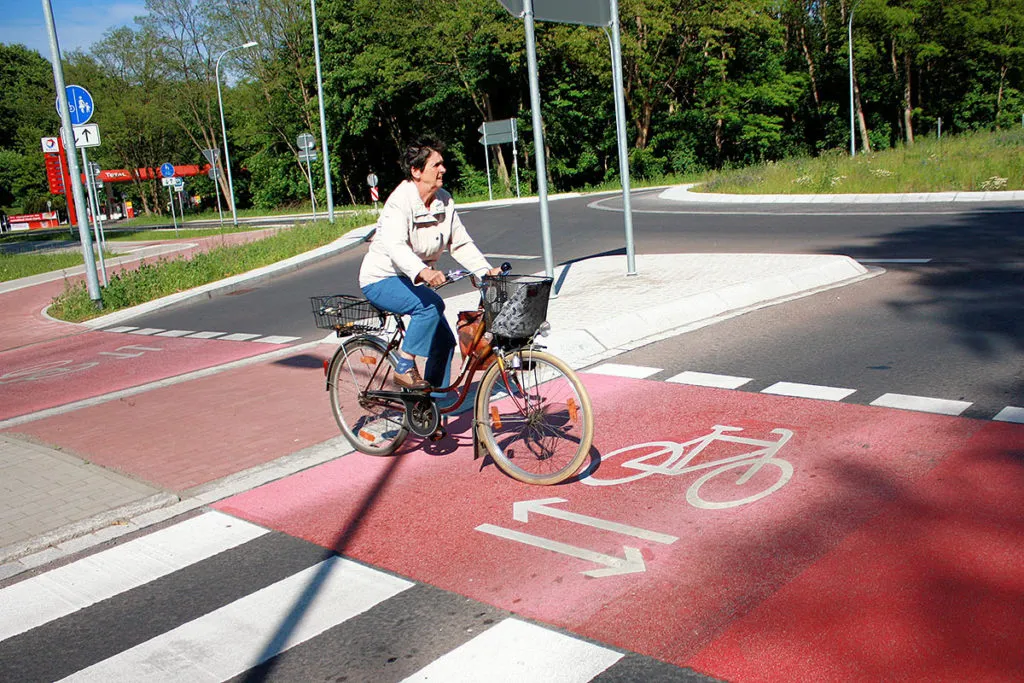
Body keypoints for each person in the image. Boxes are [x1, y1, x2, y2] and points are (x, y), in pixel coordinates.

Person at [359, 138, 501, 391]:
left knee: (444, 342)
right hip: (381, 278)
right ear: (416, 171)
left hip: (410, 280)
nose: (442, 169)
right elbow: (395, 246)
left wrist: (485, 270)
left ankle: (429, 408)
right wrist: (423, 271)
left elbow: (460, 243)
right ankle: (404, 367)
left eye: (442, 164)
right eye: (436, 165)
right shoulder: (399, 202)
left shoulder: (444, 201)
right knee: (430, 306)